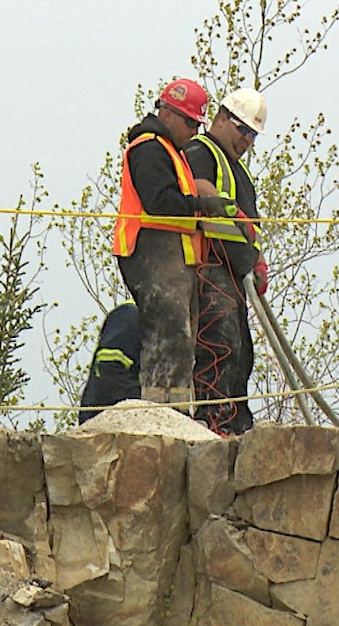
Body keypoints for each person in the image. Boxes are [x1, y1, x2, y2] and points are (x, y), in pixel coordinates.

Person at [112, 77, 235, 410]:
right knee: (168, 335)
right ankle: (160, 412)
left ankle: (176, 410)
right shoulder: (148, 148)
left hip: (171, 257)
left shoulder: (171, 151)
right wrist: (202, 206)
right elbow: (159, 201)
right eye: (190, 122)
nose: (194, 131)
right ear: (167, 113)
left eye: (198, 124)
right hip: (150, 252)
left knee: (181, 339)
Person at [183, 88, 270, 436]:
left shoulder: (242, 175)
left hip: (237, 272)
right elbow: (199, 186)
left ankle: (236, 422)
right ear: (221, 120)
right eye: (242, 130)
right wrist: (232, 214)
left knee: (241, 350)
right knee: (220, 344)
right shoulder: (201, 150)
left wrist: (259, 262)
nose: (247, 140)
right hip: (210, 264)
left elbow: (255, 228)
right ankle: (214, 420)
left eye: (252, 135)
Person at [78, 301, 141, 423]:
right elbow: (109, 369)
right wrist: (148, 404)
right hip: (104, 423)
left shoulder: (175, 325)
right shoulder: (131, 315)